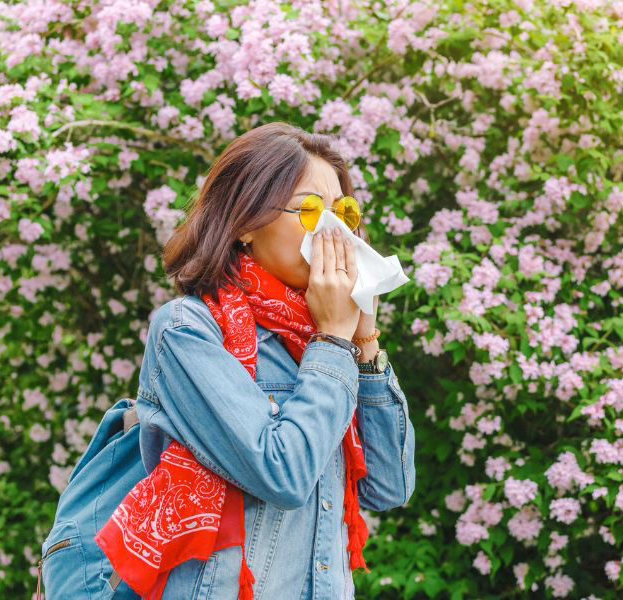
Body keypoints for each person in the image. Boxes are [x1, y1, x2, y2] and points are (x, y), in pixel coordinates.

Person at [123, 122, 416, 599]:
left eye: (343, 211)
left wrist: (364, 343)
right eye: (310, 210)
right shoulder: (188, 330)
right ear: (244, 224)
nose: (334, 229)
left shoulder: (323, 339)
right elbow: (282, 473)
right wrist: (335, 340)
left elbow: (390, 487)